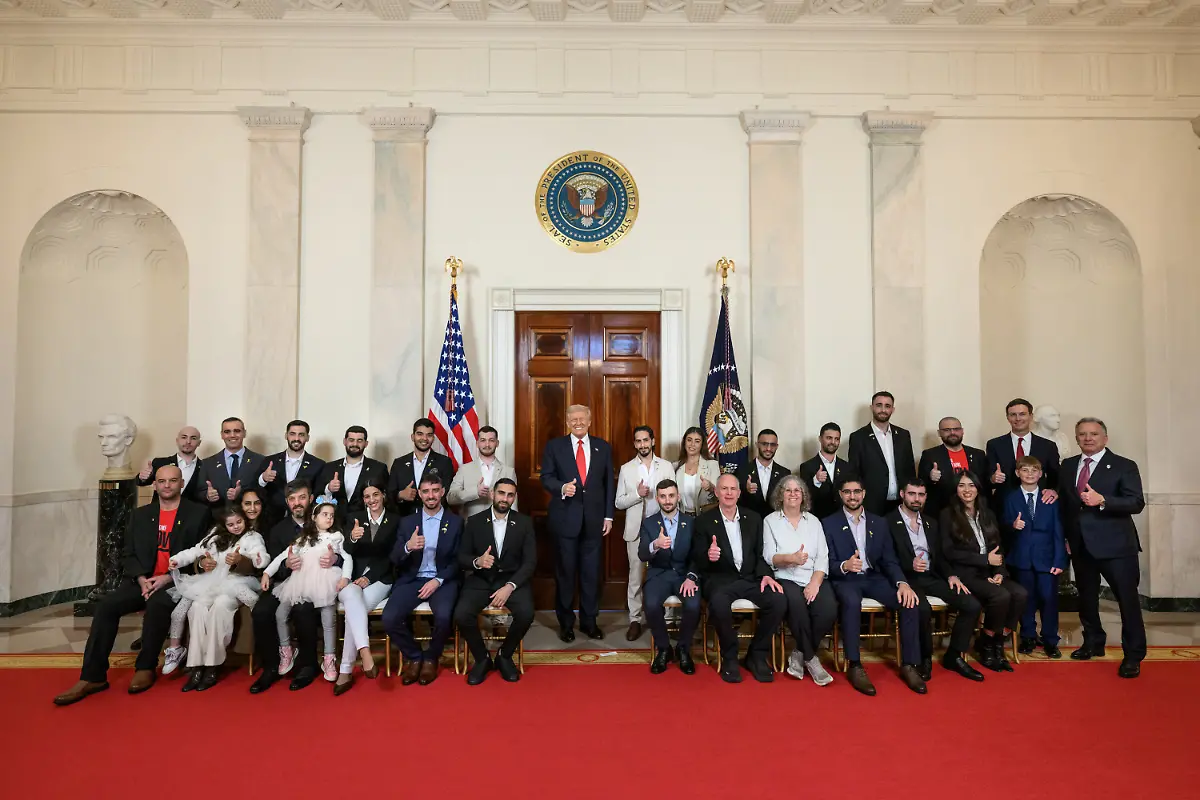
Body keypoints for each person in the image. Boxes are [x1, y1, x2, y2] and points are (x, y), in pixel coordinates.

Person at [54, 465, 210, 706]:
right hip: (143, 580)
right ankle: (92, 677)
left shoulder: (199, 513)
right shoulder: (140, 515)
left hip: (179, 581)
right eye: (161, 481)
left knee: (159, 605)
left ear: (181, 484)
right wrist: (141, 579)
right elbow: (128, 554)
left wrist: (167, 578)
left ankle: (145, 666)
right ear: (155, 485)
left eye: (172, 481)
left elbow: (204, 555)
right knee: (106, 606)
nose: (167, 485)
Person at [1057, 418, 1146, 678]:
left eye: (1093, 434)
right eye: (1082, 434)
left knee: (1127, 602)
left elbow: (1136, 502)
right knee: (1086, 599)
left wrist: (1103, 500)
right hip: (1080, 546)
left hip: (1117, 547)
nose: (1088, 438)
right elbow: (1066, 505)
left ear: (1105, 438)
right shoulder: (1068, 465)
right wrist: (1065, 537)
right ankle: (1093, 642)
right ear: (1076, 438)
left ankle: (1133, 655)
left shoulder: (1124, 466)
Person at [822, 475, 926, 696]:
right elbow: (824, 563)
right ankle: (855, 665)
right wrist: (844, 565)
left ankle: (909, 664)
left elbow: (889, 559)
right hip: (845, 579)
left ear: (864, 494)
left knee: (909, 601)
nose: (853, 496)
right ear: (841, 495)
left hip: (874, 577)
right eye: (848, 492)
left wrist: (902, 583)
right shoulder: (828, 523)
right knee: (851, 602)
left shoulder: (879, 522)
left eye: (857, 492)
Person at [887, 478, 984, 682]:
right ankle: (924, 657)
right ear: (903, 495)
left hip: (932, 577)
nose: (916, 499)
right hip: (906, 579)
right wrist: (909, 565)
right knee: (922, 609)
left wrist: (951, 575)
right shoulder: (887, 521)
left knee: (972, 604)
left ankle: (954, 655)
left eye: (921, 495)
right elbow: (885, 559)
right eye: (912, 494)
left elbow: (940, 556)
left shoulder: (931, 522)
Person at [693, 474, 787, 684]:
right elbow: (697, 558)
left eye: (732, 489)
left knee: (779, 600)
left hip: (751, 578)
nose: (728, 493)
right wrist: (708, 555)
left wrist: (766, 575)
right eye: (724, 489)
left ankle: (756, 654)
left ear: (739, 493)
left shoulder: (753, 518)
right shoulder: (703, 521)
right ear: (716, 493)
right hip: (720, 579)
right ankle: (730, 657)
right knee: (717, 604)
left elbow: (761, 553)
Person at [163, 506, 269, 691]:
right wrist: (178, 560)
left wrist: (243, 559)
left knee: (220, 606)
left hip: (236, 584)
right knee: (196, 607)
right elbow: (195, 552)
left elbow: (260, 557)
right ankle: (196, 665)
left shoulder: (252, 536)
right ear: (223, 524)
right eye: (230, 524)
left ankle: (212, 666)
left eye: (239, 522)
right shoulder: (214, 535)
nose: (235, 527)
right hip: (210, 583)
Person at [539, 404, 615, 643]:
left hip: (594, 522)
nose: (578, 422)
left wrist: (608, 516)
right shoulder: (555, 446)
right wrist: (562, 487)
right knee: (565, 574)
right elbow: (546, 478)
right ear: (568, 422)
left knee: (591, 575)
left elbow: (608, 484)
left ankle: (590, 623)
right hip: (565, 520)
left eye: (582, 419)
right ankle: (566, 624)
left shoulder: (602, 447)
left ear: (590, 421)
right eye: (574, 419)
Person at [939, 471, 1028, 673]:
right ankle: (987, 647)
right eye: (962, 485)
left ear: (978, 488)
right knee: (1001, 596)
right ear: (956, 489)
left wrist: (999, 571)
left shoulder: (987, 512)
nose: (967, 490)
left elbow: (997, 546)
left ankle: (996, 642)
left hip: (989, 571)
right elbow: (948, 552)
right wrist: (983, 559)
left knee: (1020, 594)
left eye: (971, 485)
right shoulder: (947, 514)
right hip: (966, 573)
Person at [454, 479, 537, 685]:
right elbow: (461, 557)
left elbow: (530, 561)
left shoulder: (525, 523)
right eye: (501, 493)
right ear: (492, 494)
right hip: (482, 578)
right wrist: (477, 561)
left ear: (514, 498)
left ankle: (504, 656)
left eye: (510, 495)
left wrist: (510, 587)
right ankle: (482, 659)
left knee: (526, 613)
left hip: (511, 580)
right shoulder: (474, 521)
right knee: (461, 614)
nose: (505, 499)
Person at [384, 474, 464, 686]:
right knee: (389, 617)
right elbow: (394, 557)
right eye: (426, 491)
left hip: (442, 580)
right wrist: (408, 547)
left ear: (442, 492)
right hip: (412, 579)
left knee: (445, 617)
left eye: (435, 490)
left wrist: (438, 580)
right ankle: (414, 656)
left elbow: (459, 560)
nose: (431, 495)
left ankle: (431, 658)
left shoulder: (455, 522)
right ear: (419, 494)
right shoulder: (407, 522)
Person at [249, 480, 328, 694]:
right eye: (292, 499)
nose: (297, 503)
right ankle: (271, 666)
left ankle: (307, 665)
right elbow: (273, 565)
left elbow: (336, 551)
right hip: (284, 583)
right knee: (261, 612)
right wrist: (286, 565)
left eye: (302, 497)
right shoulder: (278, 530)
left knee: (303, 609)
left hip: (314, 583)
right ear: (287, 503)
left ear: (311, 499)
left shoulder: (322, 523)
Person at [261, 500, 350, 683]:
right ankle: (287, 650)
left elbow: (346, 557)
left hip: (325, 580)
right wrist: (267, 573)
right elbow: (284, 555)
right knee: (280, 614)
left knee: (328, 620)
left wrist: (345, 577)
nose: (329, 518)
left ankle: (329, 658)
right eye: (325, 514)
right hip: (299, 581)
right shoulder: (304, 538)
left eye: (332, 515)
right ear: (314, 517)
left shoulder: (336, 537)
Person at [762, 475, 836, 686]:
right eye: (788, 490)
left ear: (803, 496)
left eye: (797, 490)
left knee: (828, 609)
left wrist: (815, 583)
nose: (793, 494)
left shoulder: (813, 521)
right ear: (780, 495)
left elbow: (823, 557)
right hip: (785, 577)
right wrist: (790, 559)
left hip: (813, 577)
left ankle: (799, 653)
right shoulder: (770, 521)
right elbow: (769, 556)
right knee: (796, 606)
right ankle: (812, 660)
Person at [615, 425, 676, 641]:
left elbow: (673, 495)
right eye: (638, 441)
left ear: (653, 441)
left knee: (665, 572)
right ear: (635, 444)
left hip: (662, 528)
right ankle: (635, 619)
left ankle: (667, 619)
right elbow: (619, 502)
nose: (642, 445)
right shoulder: (626, 468)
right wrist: (637, 494)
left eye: (645, 440)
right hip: (636, 530)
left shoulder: (666, 466)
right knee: (635, 576)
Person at [1002, 456, 1067, 658]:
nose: (1029, 474)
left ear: (1041, 474)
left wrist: (1059, 559)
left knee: (1049, 600)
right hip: (1021, 558)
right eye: (1025, 470)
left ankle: (1050, 639)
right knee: (1026, 600)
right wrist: (1012, 526)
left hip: (1047, 559)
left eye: (1034, 470)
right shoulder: (1010, 498)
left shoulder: (1050, 498)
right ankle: (1028, 636)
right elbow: (1001, 526)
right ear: (1017, 473)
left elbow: (1058, 531)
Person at [333, 484, 394, 695]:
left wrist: (369, 577)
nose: (372, 499)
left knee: (353, 612)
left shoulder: (395, 520)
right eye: (367, 496)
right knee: (351, 596)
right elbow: (346, 552)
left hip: (381, 579)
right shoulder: (354, 517)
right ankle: (365, 653)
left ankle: (345, 670)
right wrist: (352, 538)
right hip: (352, 576)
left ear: (383, 495)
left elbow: (393, 557)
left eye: (376, 494)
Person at [638, 480, 700, 675]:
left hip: (684, 575)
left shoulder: (691, 522)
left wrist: (691, 576)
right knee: (650, 604)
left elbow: (697, 555)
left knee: (693, 605)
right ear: (657, 498)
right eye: (663, 496)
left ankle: (683, 648)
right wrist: (655, 544)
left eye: (671, 496)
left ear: (678, 497)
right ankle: (664, 648)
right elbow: (642, 554)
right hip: (659, 574)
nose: (667, 500)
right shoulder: (649, 523)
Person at [984, 398, 1061, 527]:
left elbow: (1057, 476)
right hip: (1005, 508)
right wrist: (992, 478)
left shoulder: (1048, 446)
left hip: (1039, 506)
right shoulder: (994, 444)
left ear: (1031, 416)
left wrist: (1053, 490)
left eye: (1022, 414)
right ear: (1008, 418)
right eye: (1013, 415)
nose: (1018, 419)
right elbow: (986, 476)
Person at [848, 391, 916, 516]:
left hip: (901, 503)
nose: (883, 410)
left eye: (887, 406)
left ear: (893, 409)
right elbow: (854, 473)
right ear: (872, 407)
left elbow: (910, 469)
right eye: (879, 405)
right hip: (872, 504)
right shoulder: (858, 437)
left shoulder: (903, 435)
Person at [917, 416, 987, 519]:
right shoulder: (930, 455)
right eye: (947, 430)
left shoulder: (978, 455)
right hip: (942, 513)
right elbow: (920, 484)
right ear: (939, 433)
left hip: (973, 512)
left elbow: (984, 484)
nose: (952, 433)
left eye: (956, 429)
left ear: (962, 431)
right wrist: (931, 478)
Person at [388, 418, 455, 519]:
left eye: (429, 435)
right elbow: (388, 494)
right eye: (420, 434)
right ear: (412, 437)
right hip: (404, 520)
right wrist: (400, 495)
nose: (424, 438)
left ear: (433, 438)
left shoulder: (444, 462)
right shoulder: (399, 463)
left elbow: (447, 494)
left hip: (436, 519)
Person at [316, 426, 389, 516]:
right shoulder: (329, 467)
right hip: (334, 523)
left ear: (366, 444)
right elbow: (316, 495)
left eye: (359, 440)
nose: (355, 444)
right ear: (345, 441)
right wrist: (329, 489)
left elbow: (386, 499)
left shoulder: (379, 468)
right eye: (351, 440)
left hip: (365, 524)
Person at [258, 420, 326, 517]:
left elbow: (318, 494)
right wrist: (263, 479)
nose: (296, 438)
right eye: (292, 434)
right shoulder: (269, 461)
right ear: (286, 436)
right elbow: (256, 489)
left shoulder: (318, 465)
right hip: (272, 520)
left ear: (307, 438)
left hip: (304, 520)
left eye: (301, 435)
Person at [447, 426, 517, 518]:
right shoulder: (464, 469)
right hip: (471, 526)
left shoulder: (509, 471)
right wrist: (475, 492)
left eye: (491, 440)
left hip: (501, 525)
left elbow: (514, 503)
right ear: (477, 443)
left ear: (497, 443)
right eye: (483, 440)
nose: (487, 444)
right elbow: (450, 498)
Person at [200, 417, 265, 507]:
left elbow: (265, 492)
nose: (232, 435)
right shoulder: (207, 463)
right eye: (227, 432)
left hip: (248, 517)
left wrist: (242, 493)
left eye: (237, 431)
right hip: (217, 517)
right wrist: (207, 496)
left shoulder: (260, 461)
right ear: (222, 435)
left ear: (244, 433)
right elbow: (198, 492)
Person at [136, 426, 207, 504]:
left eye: (193, 438)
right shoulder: (160, 463)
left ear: (199, 443)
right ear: (177, 440)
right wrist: (143, 477)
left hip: (192, 514)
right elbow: (139, 482)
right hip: (160, 513)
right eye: (184, 437)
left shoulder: (206, 467)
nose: (188, 441)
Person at [796, 422, 850, 520]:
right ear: (820, 439)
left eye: (836, 439)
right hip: (817, 520)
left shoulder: (846, 467)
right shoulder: (807, 467)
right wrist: (816, 481)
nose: (833, 442)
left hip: (842, 520)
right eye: (829, 438)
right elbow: (803, 497)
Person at [734, 428, 790, 518]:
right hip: (750, 524)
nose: (768, 448)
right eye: (764, 444)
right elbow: (734, 501)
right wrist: (746, 490)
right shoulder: (742, 471)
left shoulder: (785, 473)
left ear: (777, 446)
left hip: (776, 524)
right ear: (757, 444)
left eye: (772, 445)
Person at [673, 426, 719, 515]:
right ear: (684, 442)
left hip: (705, 516)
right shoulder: (675, 466)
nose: (692, 444)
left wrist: (710, 487)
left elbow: (719, 494)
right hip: (682, 516)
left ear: (702, 444)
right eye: (689, 440)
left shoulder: (712, 465)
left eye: (697, 441)